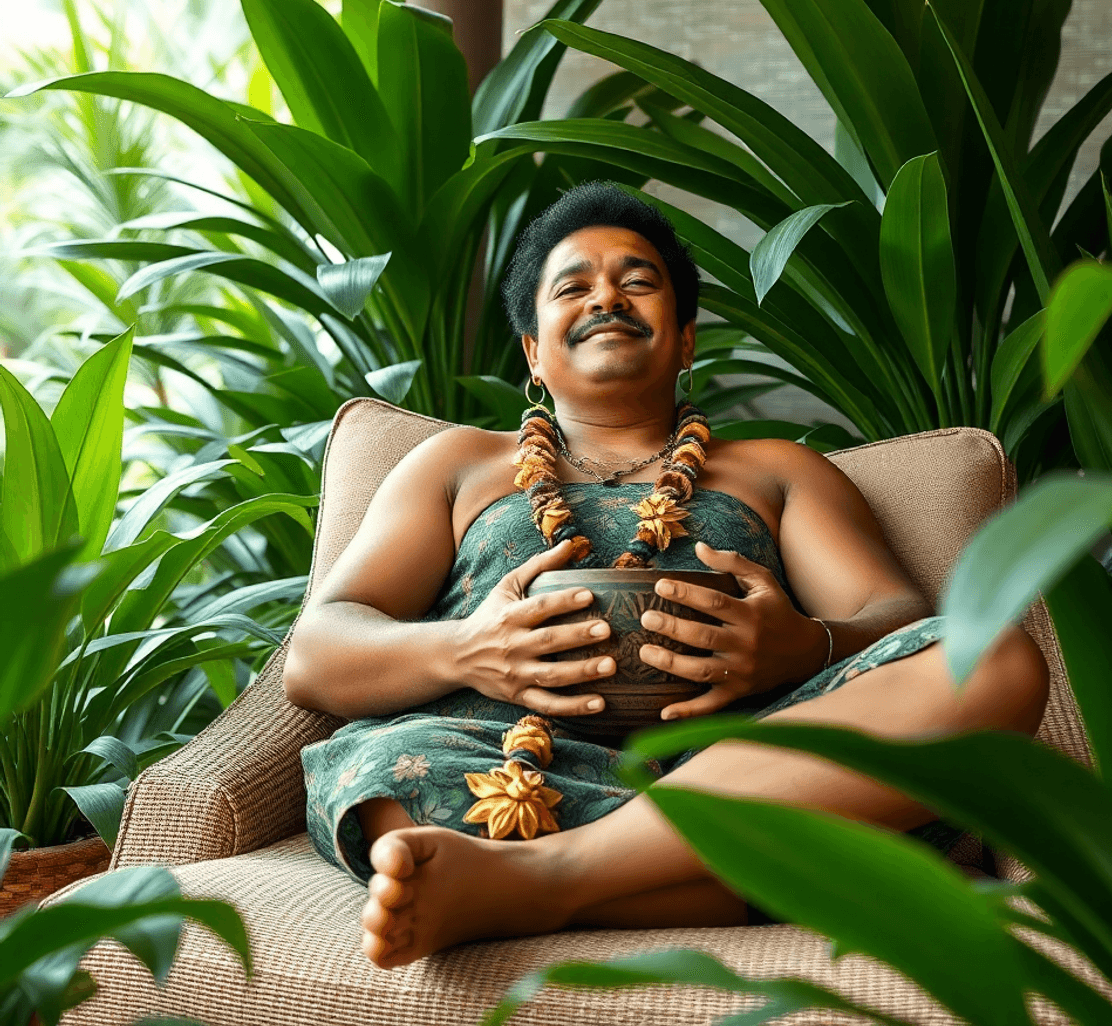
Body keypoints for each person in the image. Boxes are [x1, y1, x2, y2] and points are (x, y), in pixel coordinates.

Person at [283, 182, 1049, 969]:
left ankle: (543, 878)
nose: (607, 296)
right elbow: (318, 654)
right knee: (386, 777)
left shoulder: (775, 471)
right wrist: (467, 650)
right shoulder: (457, 465)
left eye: (638, 282)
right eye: (573, 285)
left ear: (685, 340)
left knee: (993, 661)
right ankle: (696, 875)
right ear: (534, 354)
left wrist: (807, 646)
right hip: (493, 758)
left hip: (744, 766)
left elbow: (894, 614)